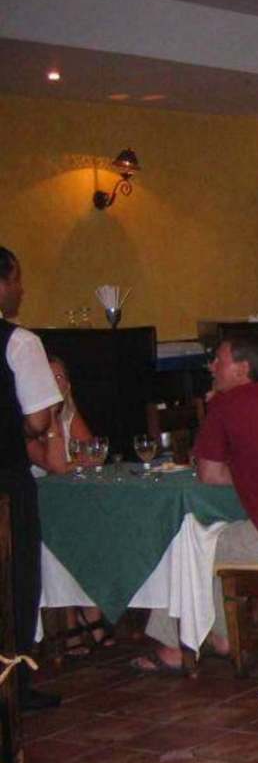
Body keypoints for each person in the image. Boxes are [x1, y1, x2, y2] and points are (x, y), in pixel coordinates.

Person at [138, 330, 258, 674]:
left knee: (183, 543)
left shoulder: (226, 405)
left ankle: (174, 647)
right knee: (209, 537)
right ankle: (221, 635)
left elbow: (210, 475)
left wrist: (242, 470)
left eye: (219, 360)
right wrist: (249, 472)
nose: (212, 366)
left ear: (242, 369)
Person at [0, 246, 64, 709]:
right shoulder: (19, 342)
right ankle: (13, 686)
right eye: (15, 279)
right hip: (6, 479)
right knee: (16, 578)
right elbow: (40, 420)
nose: (19, 289)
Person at [27, 357, 112, 657]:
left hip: (69, 500)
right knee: (74, 528)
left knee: (101, 524)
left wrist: (73, 462)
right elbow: (55, 465)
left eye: (60, 378)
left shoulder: (70, 414)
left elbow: (93, 454)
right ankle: (76, 617)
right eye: (49, 379)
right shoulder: (25, 424)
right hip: (35, 504)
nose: (56, 384)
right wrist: (50, 418)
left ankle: (88, 609)